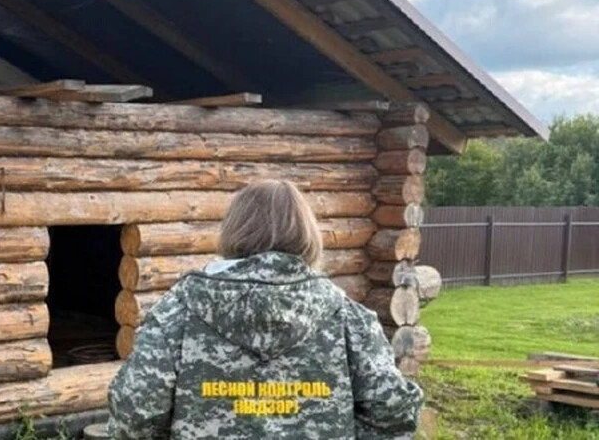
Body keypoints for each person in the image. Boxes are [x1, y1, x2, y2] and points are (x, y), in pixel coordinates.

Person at [106, 179, 423, 439]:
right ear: (307, 233)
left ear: (235, 229)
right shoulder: (349, 318)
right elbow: (394, 413)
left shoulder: (178, 310)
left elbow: (135, 414)